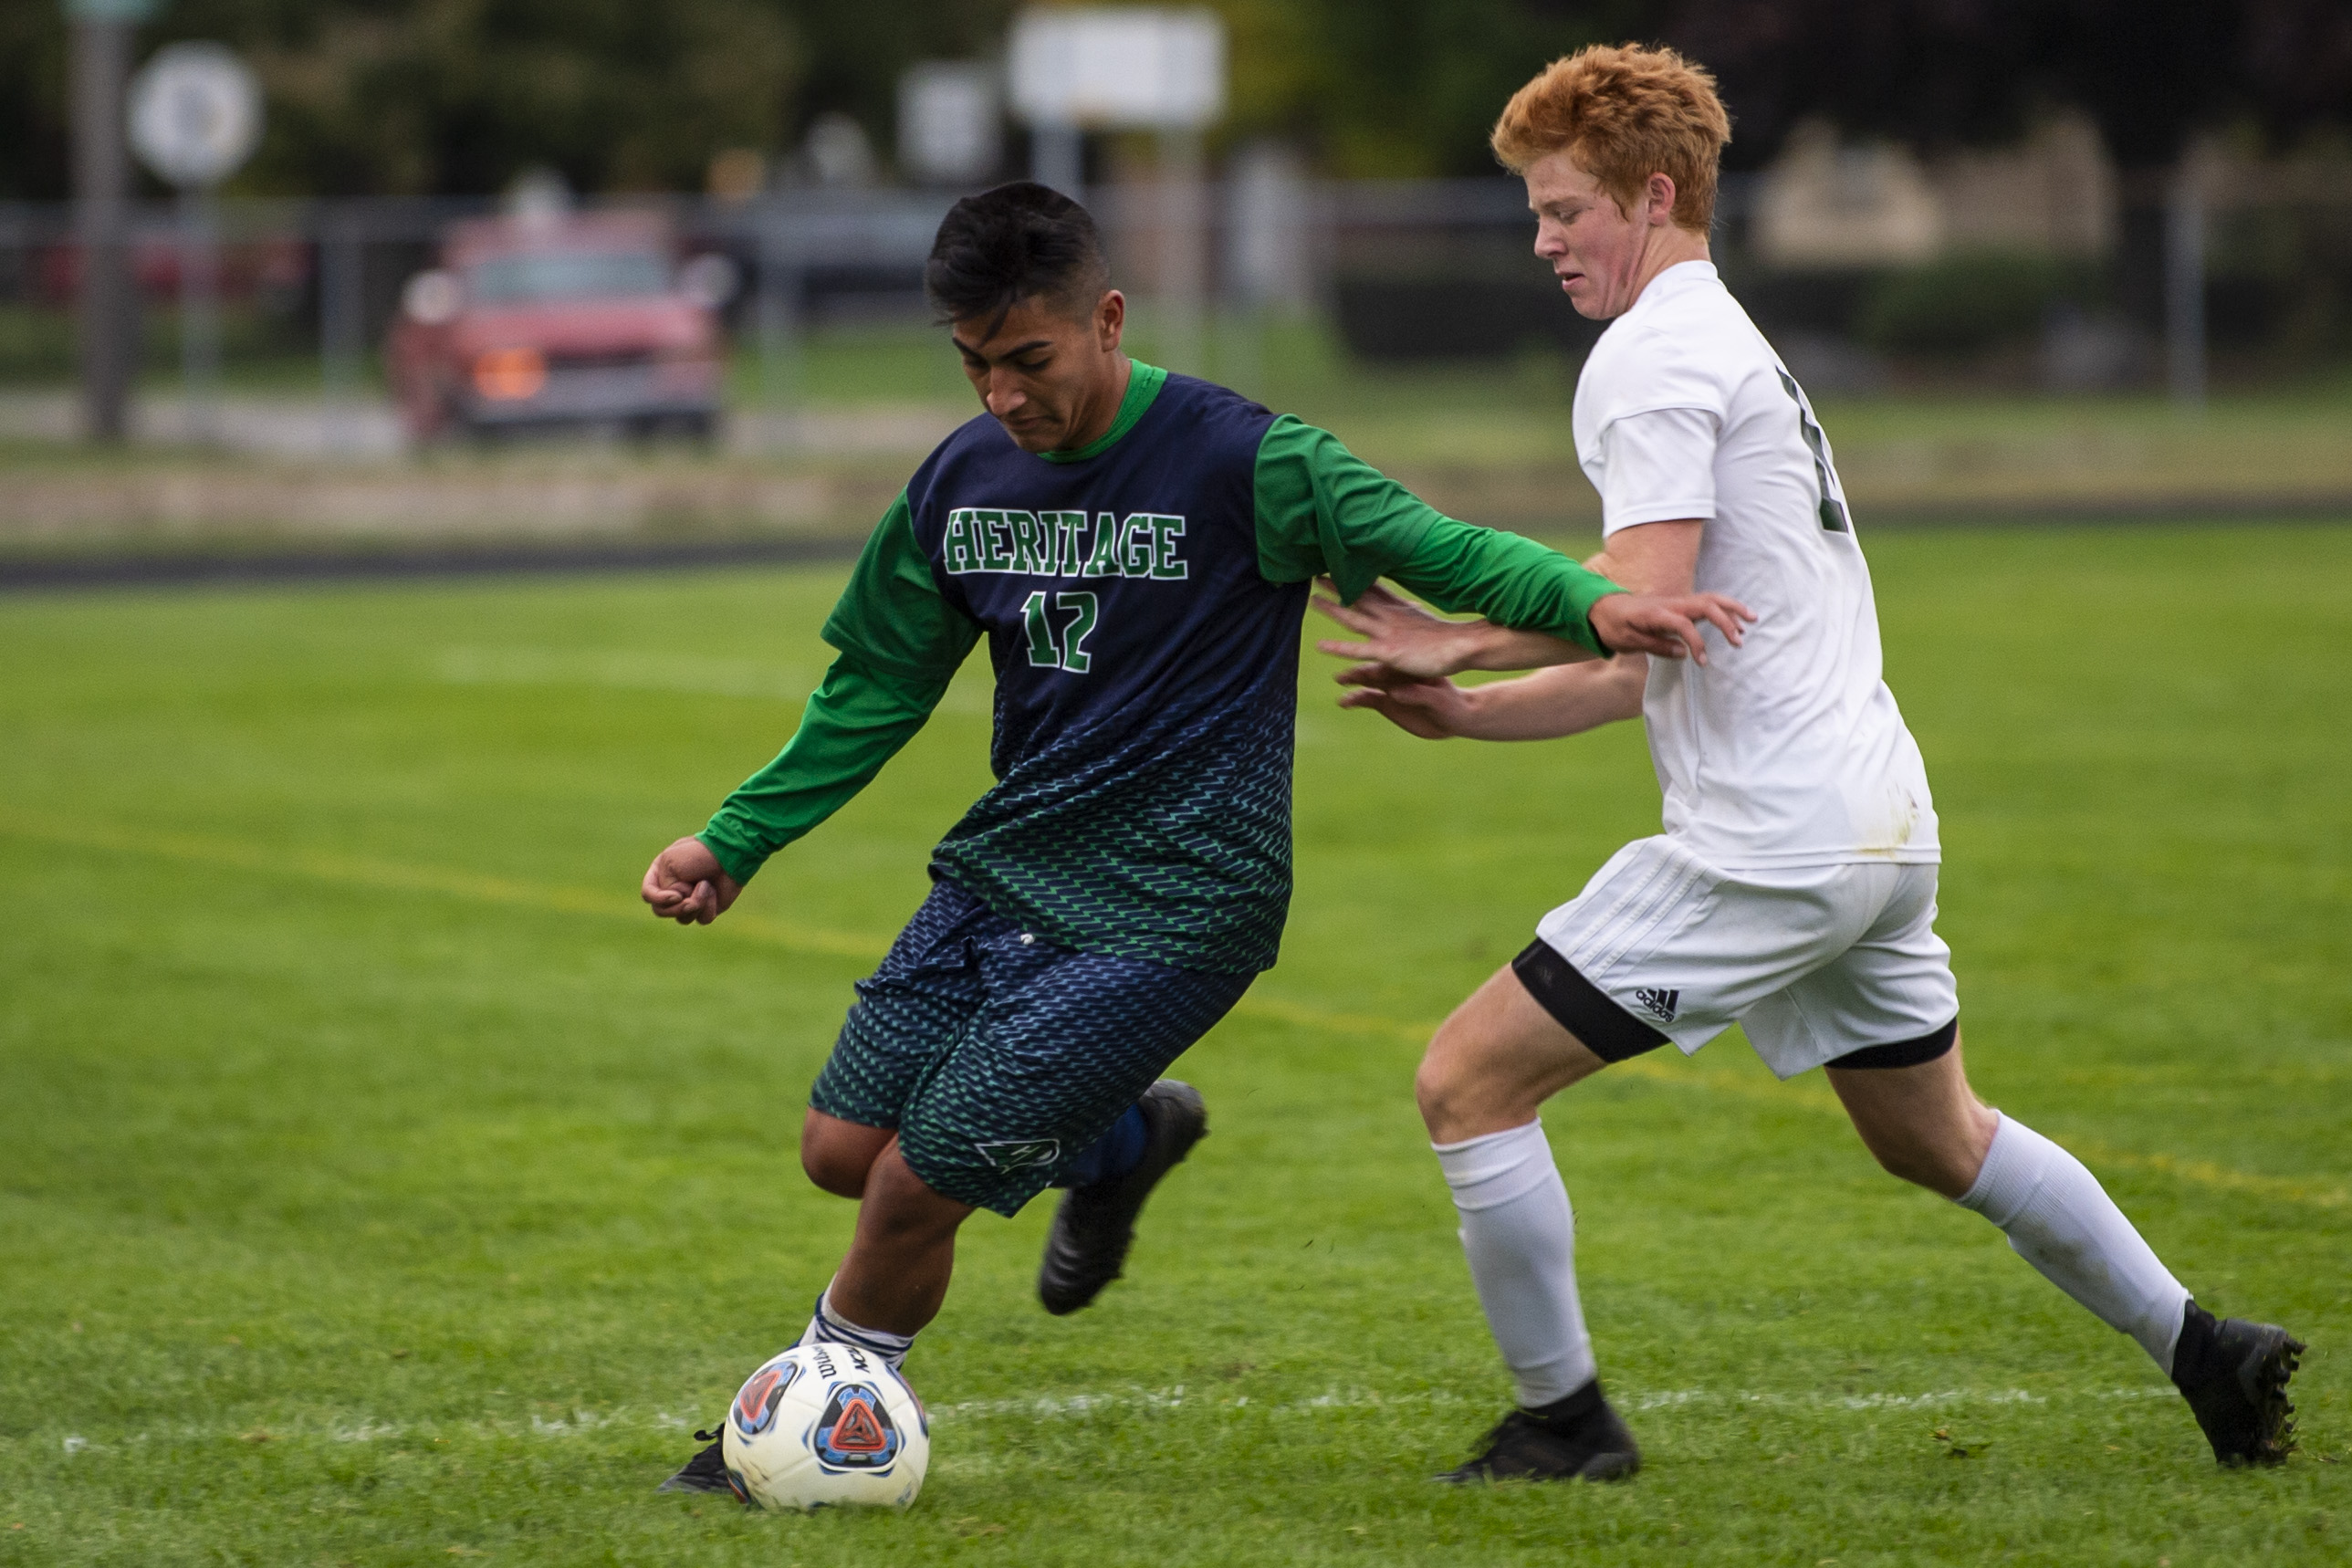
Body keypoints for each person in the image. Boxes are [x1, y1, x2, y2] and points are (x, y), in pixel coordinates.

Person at [638, 181, 1751, 1496]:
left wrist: (1592, 601)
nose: (1001, 394)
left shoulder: (1246, 461)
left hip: (1178, 903)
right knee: (839, 1151)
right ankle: (1119, 1143)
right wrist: (737, 836)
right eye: (975, 364)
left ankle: (784, 1426)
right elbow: (876, 684)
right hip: (1008, 870)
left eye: (1028, 360)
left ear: (1106, 319)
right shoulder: (960, 476)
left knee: (911, 1187)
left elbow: (1436, 549)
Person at [1315, 44, 2303, 1483]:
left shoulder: (1648, 355)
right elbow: (1648, 656)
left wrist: (1457, 642)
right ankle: (2203, 1348)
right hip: (1878, 825)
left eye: (1563, 210)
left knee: (1465, 1083)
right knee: (1937, 1137)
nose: (1540, 241)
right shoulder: (1735, 342)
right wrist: (1468, 709)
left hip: (1769, 839)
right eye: (1532, 213)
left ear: (1652, 196)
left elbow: (1629, 597)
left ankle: (1563, 1420)